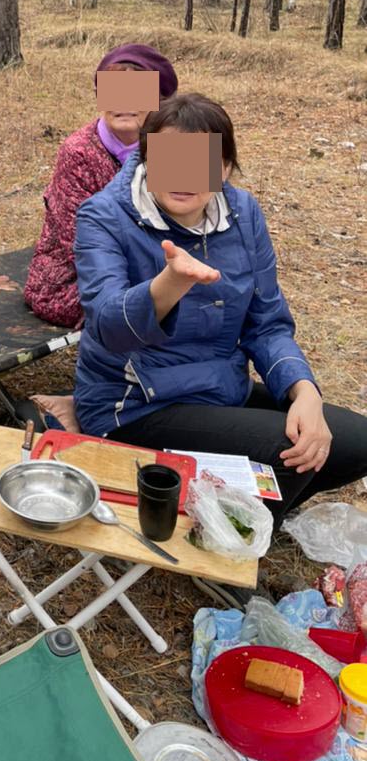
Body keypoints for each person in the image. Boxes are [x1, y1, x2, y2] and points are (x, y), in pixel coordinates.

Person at [72, 92, 367, 541]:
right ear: (147, 159)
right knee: (284, 451)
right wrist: (169, 283)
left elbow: (266, 321)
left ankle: (233, 511)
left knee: (350, 440)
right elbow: (108, 326)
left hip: (218, 388)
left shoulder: (242, 213)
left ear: (224, 168)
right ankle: (219, 546)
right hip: (133, 402)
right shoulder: (105, 216)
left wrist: (303, 391)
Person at [19, 44, 178, 431]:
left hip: (149, 267)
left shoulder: (175, 145)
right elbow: (81, 242)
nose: (124, 103)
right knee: (145, 308)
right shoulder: (77, 151)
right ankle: (98, 407)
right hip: (73, 279)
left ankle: (113, 403)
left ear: (160, 100)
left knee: (183, 305)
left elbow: (196, 224)